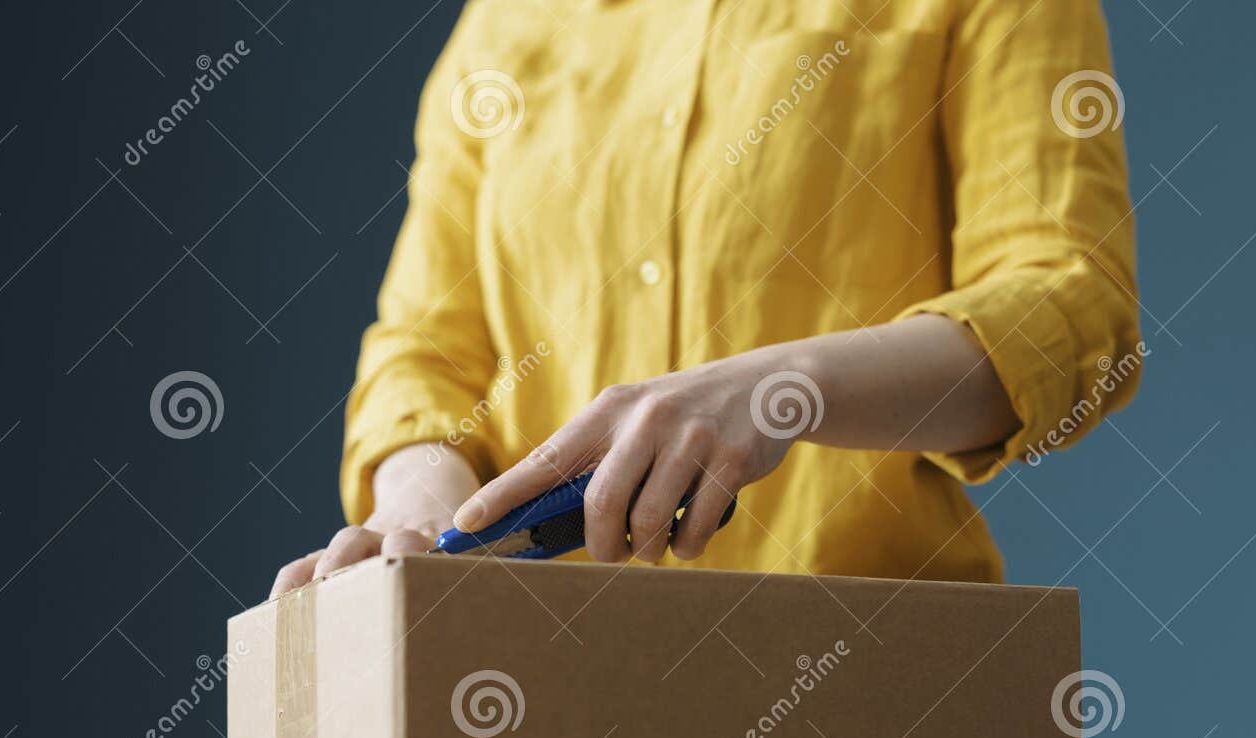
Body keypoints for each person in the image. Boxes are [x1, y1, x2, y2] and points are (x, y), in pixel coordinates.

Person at [272, 0, 1140, 597]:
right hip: (533, 706)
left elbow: (1070, 306)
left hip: (874, 698)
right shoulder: (506, 26)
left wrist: (779, 391)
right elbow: (425, 353)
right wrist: (422, 510)